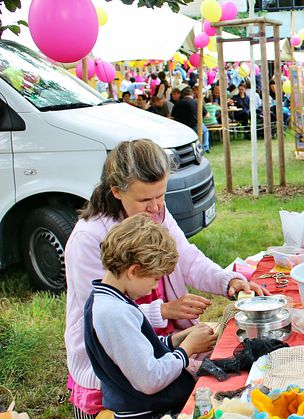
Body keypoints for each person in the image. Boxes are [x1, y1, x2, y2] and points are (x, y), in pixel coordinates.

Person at [64, 139, 267, 418]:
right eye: (146, 199)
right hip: (120, 383)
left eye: (161, 195)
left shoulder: (156, 211)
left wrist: (228, 282)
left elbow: (188, 259)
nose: (157, 206)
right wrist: (163, 311)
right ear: (116, 192)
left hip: (158, 360)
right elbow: (100, 318)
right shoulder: (88, 238)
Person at [84, 214, 217, 418]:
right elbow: (149, 379)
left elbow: (137, 348)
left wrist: (176, 339)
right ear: (133, 270)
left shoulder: (108, 300)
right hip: (148, 412)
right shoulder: (114, 313)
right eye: (155, 279)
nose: (155, 286)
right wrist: (187, 349)